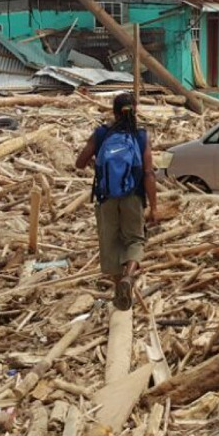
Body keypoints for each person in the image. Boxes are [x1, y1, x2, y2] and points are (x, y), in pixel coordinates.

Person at [75, 93, 158, 310]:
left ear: (113, 111)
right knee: (135, 240)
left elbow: (79, 163)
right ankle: (129, 277)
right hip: (133, 197)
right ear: (136, 110)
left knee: (110, 244)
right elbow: (149, 173)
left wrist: (100, 166)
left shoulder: (102, 134)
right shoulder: (140, 137)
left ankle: (117, 291)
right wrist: (154, 207)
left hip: (106, 198)